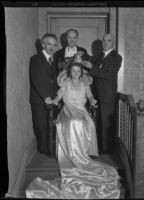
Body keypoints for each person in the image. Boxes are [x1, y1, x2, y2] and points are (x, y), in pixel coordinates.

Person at [26, 55, 121, 199]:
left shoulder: (84, 83)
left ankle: (82, 154)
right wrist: (53, 100)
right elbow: (59, 97)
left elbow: (89, 96)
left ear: (81, 73)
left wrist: (93, 99)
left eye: (78, 71)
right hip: (68, 109)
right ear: (70, 72)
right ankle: (73, 154)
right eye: (74, 71)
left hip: (81, 109)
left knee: (87, 122)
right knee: (72, 122)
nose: (76, 73)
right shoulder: (65, 83)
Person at [83, 33, 122, 154]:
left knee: (106, 123)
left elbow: (107, 74)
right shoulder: (100, 55)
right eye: (104, 41)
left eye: (108, 41)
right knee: (98, 121)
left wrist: (91, 68)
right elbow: (89, 59)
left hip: (107, 95)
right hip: (97, 94)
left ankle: (106, 149)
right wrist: (81, 54)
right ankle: (99, 146)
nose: (105, 43)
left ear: (113, 42)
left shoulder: (117, 57)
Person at [29, 33, 58, 156]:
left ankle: (50, 148)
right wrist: (45, 97)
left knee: (50, 124)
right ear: (42, 44)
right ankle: (43, 149)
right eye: (49, 44)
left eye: (54, 45)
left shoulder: (54, 59)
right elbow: (36, 79)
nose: (52, 47)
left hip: (52, 99)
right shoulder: (35, 59)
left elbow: (54, 80)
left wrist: (57, 97)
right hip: (40, 99)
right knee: (40, 124)